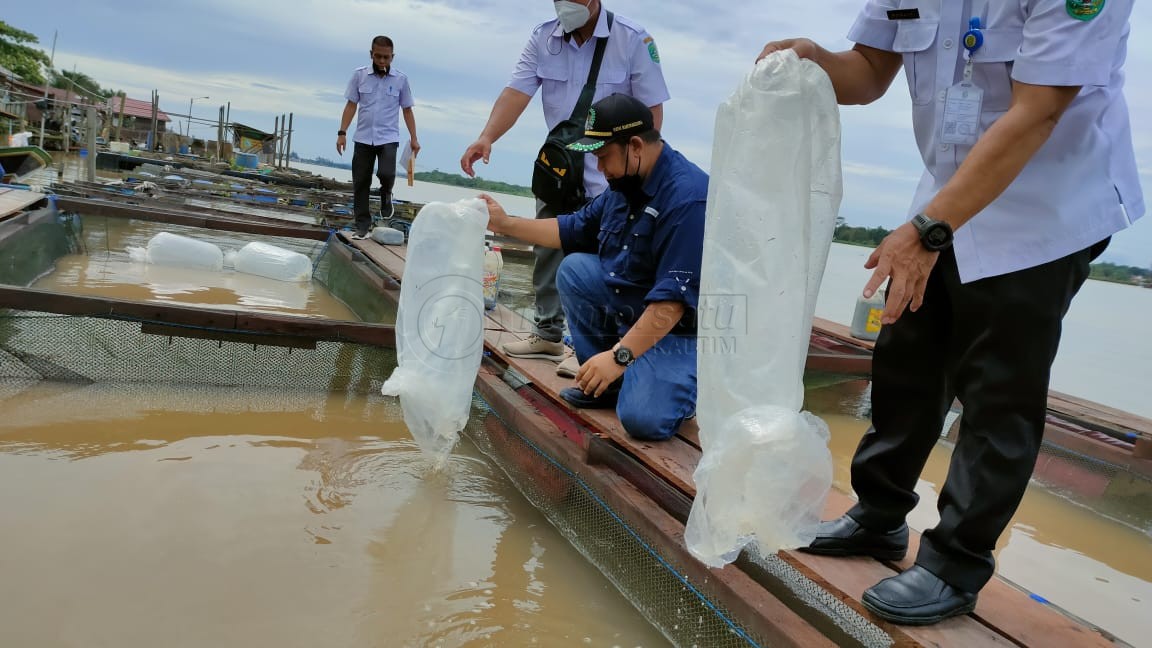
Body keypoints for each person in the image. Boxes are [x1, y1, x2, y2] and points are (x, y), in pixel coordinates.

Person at [758, 0, 1141, 625]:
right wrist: (818, 61)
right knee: (907, 350)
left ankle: (955, 562)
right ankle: (878, 516)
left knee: (998, 386)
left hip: (1050, 202)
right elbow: (870, 68)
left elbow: (1040, 107)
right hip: (950, 184)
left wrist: (929, 230)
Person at [461, 0, 669, 378]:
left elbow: (651, 114)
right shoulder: (544, 38)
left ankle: (589, 347)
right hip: (561, 169)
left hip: (612, 174)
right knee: (547, 249)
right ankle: (547, 333)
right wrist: (486, 136)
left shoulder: (633, 40)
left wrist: (640, 173)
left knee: (603, 260)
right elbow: (516, 92)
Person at [481, 94, 705, 441]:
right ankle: (607, 387)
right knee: (575, 270)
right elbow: (570, 228)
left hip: (677, 331)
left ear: (634, 146)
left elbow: (671, 304)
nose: (600, 169)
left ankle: (681, 393)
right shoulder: (624, 184)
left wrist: (619, 357)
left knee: (643, 421)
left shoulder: (688, 198)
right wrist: (505, 223)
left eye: (603, 157)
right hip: (637, 310)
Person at [337, 35, 420, 240]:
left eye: (386, 57)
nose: (382, 61)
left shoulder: (401, 79)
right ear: (371, 54)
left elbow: (407, 110)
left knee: (386, 173)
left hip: (388, 137)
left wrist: (414, 138)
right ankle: (362, 226)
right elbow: (351, 105)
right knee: (361, 182)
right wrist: (342, 133)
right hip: (363, 138)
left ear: (392, 57)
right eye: (378, 56)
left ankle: (386, 194)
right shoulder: (360, 76)